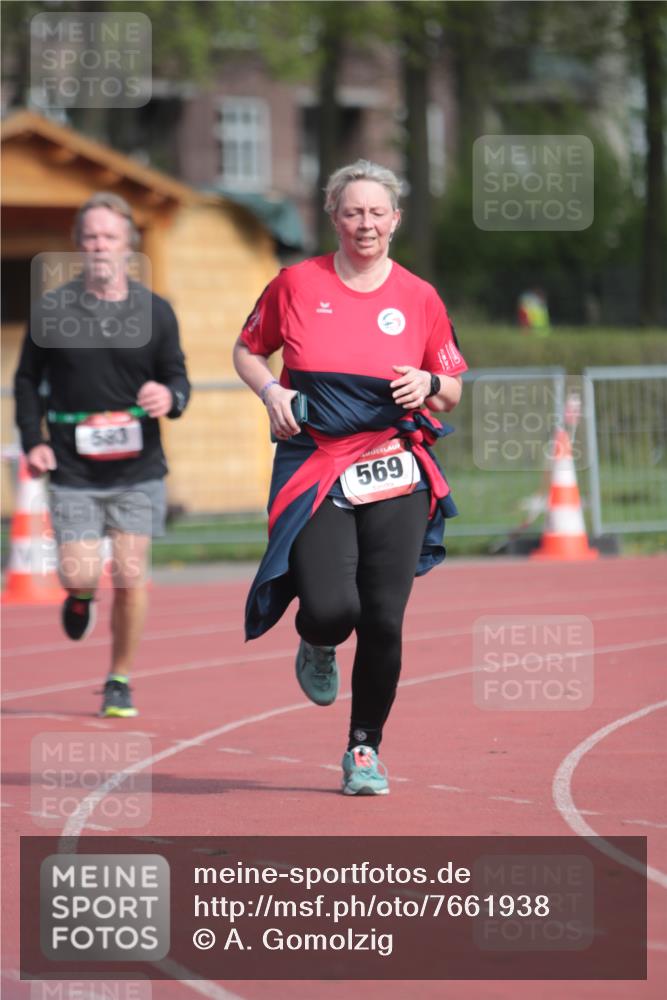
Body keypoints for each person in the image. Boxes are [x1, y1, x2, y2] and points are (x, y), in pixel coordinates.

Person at [233, 160, 467, 795]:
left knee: (385, 619)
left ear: (395, 219)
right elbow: (249, 349)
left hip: (395, 464)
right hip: (315, 462)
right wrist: (271, 393)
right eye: (353, 211)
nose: (365, 223)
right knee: (334, 608)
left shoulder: (419, 296)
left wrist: (430, 383)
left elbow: (451, 389)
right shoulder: (296, 284)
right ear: (334, 217)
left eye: (377, 212)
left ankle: (364, 749)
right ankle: (316, 640)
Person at [14, 192, 190, 717]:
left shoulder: (156, 311)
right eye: (90, 237)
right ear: (77, 245)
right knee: (79, 571)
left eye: (109, 237)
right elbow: (27, 380)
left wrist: (171, 397)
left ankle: (119, 679)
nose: (99, 246)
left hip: (139, 468)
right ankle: (79, 597)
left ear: (128, 245)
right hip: (72, 467)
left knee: (132, 574)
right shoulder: (53, 310)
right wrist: (34, 440)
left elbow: (177, 375)